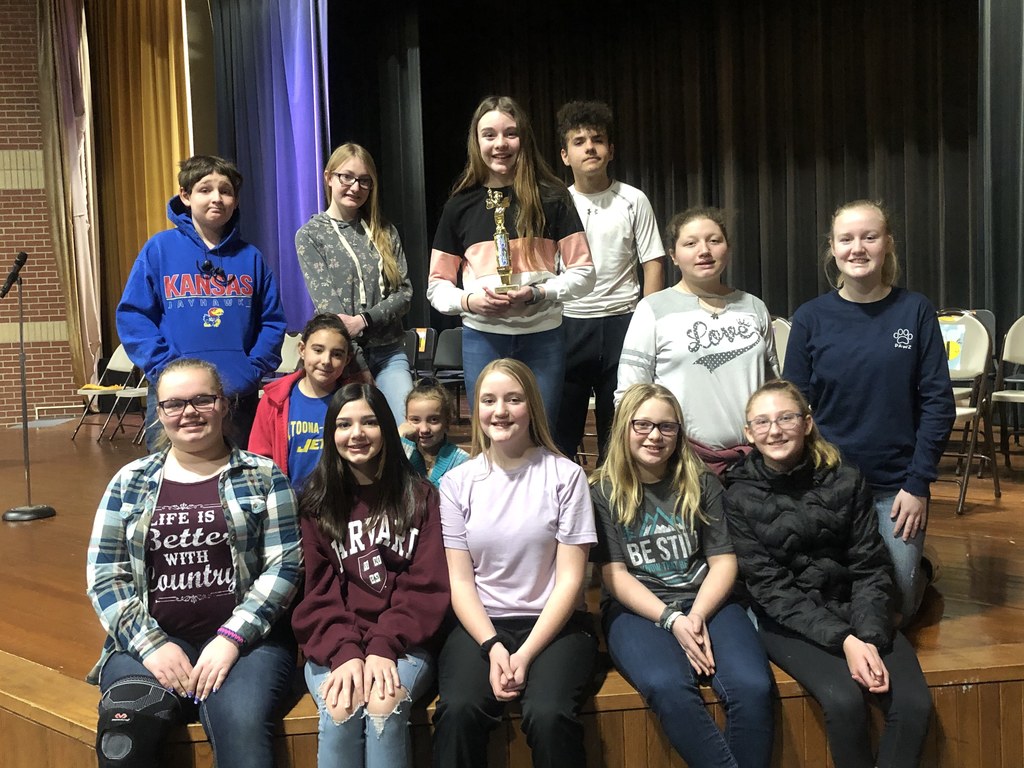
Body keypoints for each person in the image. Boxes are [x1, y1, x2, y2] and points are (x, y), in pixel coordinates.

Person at [86, 358, 302, 768]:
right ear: (159, 411)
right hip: (151, 643)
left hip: (248, 645)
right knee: (125, 734)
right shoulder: (129, 481)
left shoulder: (262, 475)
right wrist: (152, 647)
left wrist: (231, 639)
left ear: (223, 404)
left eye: (202, 399)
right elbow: (105, 576)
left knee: (241, 725)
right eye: (174, 404)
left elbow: (285, 567)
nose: (188, 412)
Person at [724, 379, 932, 768]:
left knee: (913, 703)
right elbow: (770, 589)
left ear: (806, 422)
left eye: (786, 417)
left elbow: (870, 564)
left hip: (857, 607)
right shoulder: (737, 494)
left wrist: (868, 635)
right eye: (763, 422)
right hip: (789, 617)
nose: (775, 430)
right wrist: (846, 642)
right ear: (749, 434)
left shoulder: (845, 477)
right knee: (844, 700)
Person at [783, 199, 955, 624]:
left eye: (869, 237)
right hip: (827, 486)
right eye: (847, 239)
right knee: (830, 599)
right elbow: (793, 406)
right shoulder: (810, 317)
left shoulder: (914, 311)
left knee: (897, 611)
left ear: (887, 245)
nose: (857, 248)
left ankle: (920, 567)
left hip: (894, 489)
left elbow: (939, 403)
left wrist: (917, 486)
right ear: (833, 248)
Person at [590, 382, 774, 768]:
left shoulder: (702, 481)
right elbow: (615, 575)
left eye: (667, 427)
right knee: (667, 686)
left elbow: (723, 561)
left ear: (679, 432)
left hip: (706, 600)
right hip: (637, 607)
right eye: (643, 425)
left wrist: (696, 616)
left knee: (753, 686)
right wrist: (672, 620)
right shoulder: (602, 490)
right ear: (624, 427)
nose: (655, 436)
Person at [432, 358, 598, 767]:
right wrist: (493, 647)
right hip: (482, 626)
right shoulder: (457, 483)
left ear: (532, 407)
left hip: (554, 625)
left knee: (548, 714)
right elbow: (461, 582)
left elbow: (570, 582)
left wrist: (523, 654)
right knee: (457, 710)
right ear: (476, 408)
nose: (500, 411)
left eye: (513, 399)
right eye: (489, 400)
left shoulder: (565, 476)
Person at [291, 383, 450, 768]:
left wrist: (383, 645)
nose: (357, 434)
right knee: (342, 705)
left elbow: (426, 585)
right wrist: (345, 650)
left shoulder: (420, 496)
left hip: (402, 641)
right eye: (344, 424)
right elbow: (316, 591)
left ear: (387, 430)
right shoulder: (314, 500)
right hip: (334, 640)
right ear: (332, 435)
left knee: (383, 703)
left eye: (369, 422)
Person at [427, 95, 596, 428]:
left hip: (543, 337)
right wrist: (469, 301)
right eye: (489, 135)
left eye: (510, 134)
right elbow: (436, 286)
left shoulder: (552, 196)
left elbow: (585, 274)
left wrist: (539, 294)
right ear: (476, 142)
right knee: (492, 434)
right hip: (482, 339)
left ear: (524, 139)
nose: (500, 144)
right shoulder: (458, 206)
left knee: (540, 431)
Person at [116, 155, 287, 451]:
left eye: (226, 190)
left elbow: (272, 321)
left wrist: (251, 369)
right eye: (205, 189)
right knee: (172, 481)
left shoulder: (251, 257)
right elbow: (134, 317)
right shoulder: (159, 249)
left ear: (235, 200)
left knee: (234, 481)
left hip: (235, 396)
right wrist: (165, 369)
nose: (217, 198)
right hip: (174, 396)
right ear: (185, 195)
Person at [616, 207, 779, 474]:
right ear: (673, 256)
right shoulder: (653, 309)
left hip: (754, 462)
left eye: (714, 240)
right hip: (682, 462)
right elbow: (630, 393)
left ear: (727, 248)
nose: (704, 250)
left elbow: (774, 385)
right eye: (690, 243)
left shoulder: (753, 306)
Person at [553, 100, 665, 464]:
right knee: (562, 431)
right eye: (580, 141)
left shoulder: (634, 200)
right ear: (565, 155)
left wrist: (647, 323)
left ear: (611, 150)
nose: (590, 147)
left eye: (597, 140)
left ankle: (612, 509)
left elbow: (653, 263)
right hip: (567, 324)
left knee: (617, 431)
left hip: (622, 323)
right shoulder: (554, 204)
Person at [296, 142, 414, 421]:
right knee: (355, 434)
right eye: (346, 177)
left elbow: (405, 294)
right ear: (329, 178)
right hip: (341, 358)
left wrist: (364, 319)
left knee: (406, 430)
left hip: (389, 352)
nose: (355, 187)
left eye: (364, 181)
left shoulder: (385, 230)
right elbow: (332, 313)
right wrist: (358, 368)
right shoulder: (310, 235)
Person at [248, 313, 359, 489]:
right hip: (290, 507)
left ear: (347, 359)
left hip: (340, 506)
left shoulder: (356, 403)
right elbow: (258, 460)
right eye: (318, 350)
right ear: (302, 349)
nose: (326, 361)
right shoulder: (274, 400)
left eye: (337, 354)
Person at [399, 377, 470, 487]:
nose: (424, 429)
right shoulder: (404, 453)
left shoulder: (461, 462)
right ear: (406, 420)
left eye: (433, 420)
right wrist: (398, 440)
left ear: (447, 422)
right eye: (415, 420)